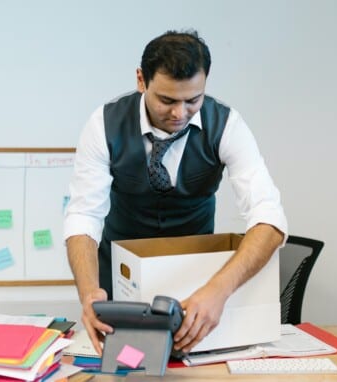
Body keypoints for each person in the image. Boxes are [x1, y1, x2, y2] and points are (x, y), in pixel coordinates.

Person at [63, 29, 287, 356]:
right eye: (167, 100)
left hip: (197, 292)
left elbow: (269, 218)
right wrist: (88, 294)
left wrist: (218, 292)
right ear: (142, 80)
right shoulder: (103, 124)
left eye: (193, 100)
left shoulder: (227, 125)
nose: (179, 113)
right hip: (120, 288)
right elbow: (84, 216)